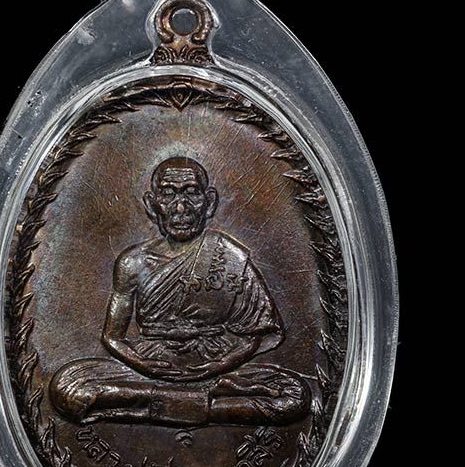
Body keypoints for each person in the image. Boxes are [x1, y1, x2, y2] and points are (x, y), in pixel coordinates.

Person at [50, 157, 310, 427]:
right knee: (68, 388)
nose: (181, 208)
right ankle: (204, 406)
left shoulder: (228, 257)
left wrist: (219, 365)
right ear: (152, 204)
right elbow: (112, 337)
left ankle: (154, 405)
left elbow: (254, 335)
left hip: (216, 365)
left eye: (191, 193)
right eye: (168, 194)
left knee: (294, 396)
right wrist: (142, 364)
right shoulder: (133, 263)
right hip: (149, 366)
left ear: (209, 202)